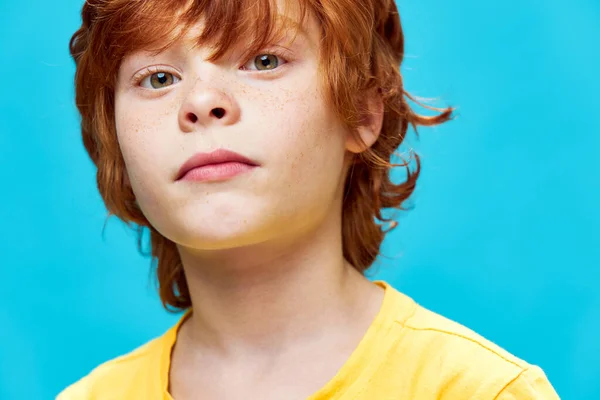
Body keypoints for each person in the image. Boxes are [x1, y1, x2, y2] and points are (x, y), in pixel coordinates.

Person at [58, 0, 560, 398]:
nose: (202, 102)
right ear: (115, 144)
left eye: (264, 60)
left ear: (362, 113)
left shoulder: (479, 391)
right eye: (159, 78)